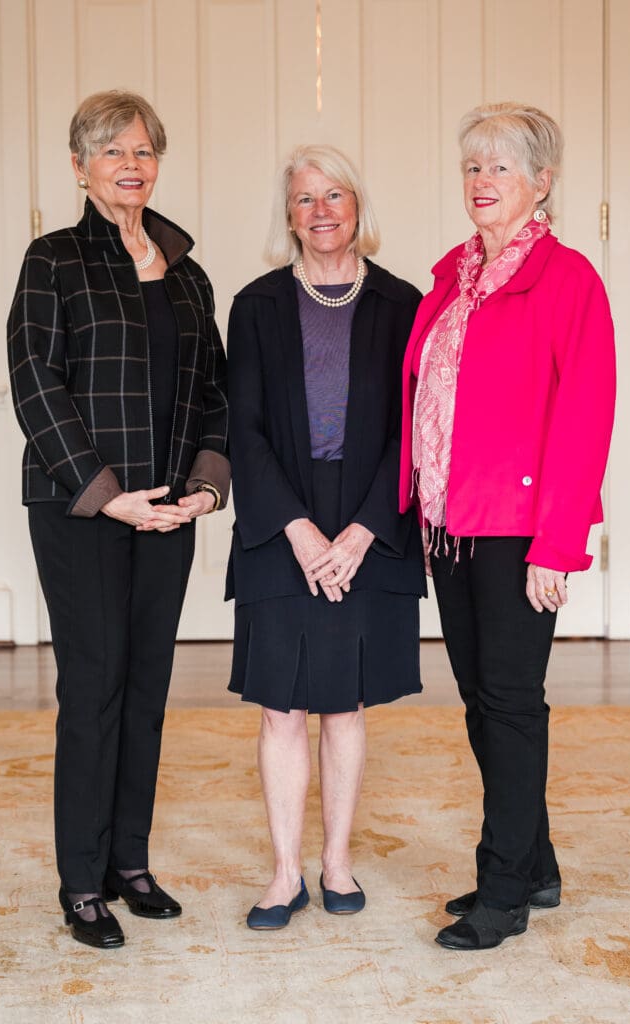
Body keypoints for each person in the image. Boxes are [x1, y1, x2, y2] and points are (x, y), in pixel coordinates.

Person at [7, 90, 229, 949]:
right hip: (82, 511)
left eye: (142, 150)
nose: (130, 164)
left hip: (169, 514)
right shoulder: (53, 260)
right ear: (80, 167)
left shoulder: (187, 272)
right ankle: (81, 882)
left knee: (146, 690)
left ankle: (128, 864)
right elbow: (35, 382)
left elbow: (213, 392)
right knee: (93, 691)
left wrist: (204, 488)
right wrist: (107, 492)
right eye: (111, 152)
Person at [400, 102, 616, 950]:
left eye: (499, 168)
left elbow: (585, 418)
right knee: (482, 706)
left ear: (540, 182)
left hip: (520, 529)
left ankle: (503, 893)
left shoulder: (567, 280)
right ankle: (536, 862)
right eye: (471, 168)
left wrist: (558, 545)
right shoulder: (453, 276)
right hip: (451, 525)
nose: (481, 184)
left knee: (511, 705)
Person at [226, 144, 426, 929]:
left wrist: (363, 530)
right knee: (280, 706)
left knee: (343, 705)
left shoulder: (403, 303)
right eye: (304, 199)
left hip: (370, 518)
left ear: (357, 207)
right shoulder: (255, 304)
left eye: (333, 195)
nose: (320, 212)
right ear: (289, 216)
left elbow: (410, 433)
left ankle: (335, 862)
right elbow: (242, 429)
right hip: (282, 517)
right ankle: (284, 875)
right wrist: (303, 533)